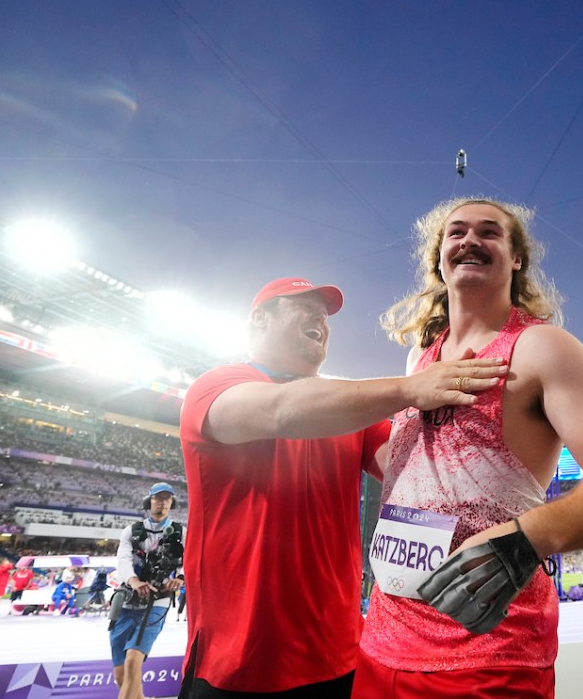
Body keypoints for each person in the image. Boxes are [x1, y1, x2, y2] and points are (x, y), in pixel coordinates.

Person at [355, 197, 583, 698]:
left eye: (489, 232)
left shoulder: (542, 348)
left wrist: (523, 541)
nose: (470, 240)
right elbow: (428, 477)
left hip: (486, 653)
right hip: (384, 640)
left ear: (517, 259)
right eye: (456, 232)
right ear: (438, 258)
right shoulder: (418, 361)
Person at [178, 276, 508, 698]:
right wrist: (410, 388)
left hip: (342, 656)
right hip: (241, 663)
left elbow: (426, 476)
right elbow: (281, 411)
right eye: (305, 307)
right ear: (260, 319)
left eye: (326, 315)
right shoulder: (216, 386)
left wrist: (492, 406)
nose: (322, 320)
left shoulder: (352, 412)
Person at [110, 482, 185, 699]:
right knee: (120, 673)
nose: (161, 503)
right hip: (126, 600)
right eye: (157, 498)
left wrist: (180, 578)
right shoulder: (131, 531)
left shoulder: (181, 532)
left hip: (158, 600)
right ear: (148, 501)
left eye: (166, 499)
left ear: (172, 503)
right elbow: (123, 559)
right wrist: (134, 581)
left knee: (134, 659)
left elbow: (190, 561)